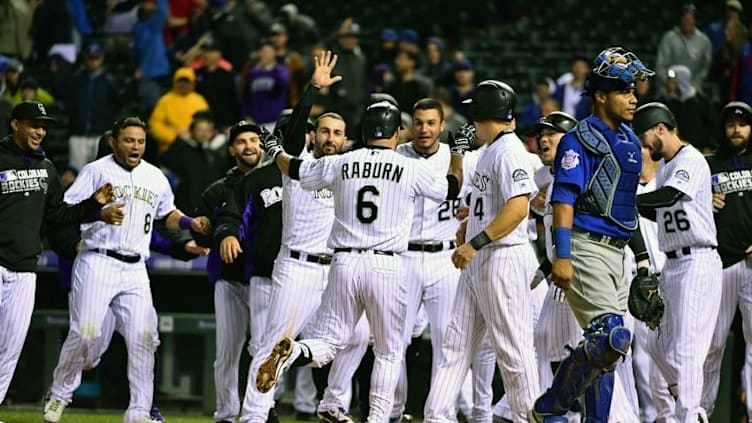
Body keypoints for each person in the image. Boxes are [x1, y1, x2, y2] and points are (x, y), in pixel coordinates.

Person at [254, 97, 467, 423]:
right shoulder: (410, 166)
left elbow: (294, 170)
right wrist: (457, 155)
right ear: (398, 132)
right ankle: (378, 419)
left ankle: (294, 352)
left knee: (328, 341)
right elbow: (451, 189)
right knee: (389, 351)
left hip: (342, 263)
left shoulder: (341, 162)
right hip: (386, 264)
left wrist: (273, 151)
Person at [43, 117, 211, 423]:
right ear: (114, 142)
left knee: (145, 337)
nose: (136, 146)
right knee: (85, 333)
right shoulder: (95, 171)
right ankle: (59, 394)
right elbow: (65, 213)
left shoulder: (155, 176)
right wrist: (97, 212)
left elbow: (166, 214)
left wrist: (189, 223)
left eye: (141, 141)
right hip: (98, 260)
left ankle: (139, 412)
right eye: (129, 140)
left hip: (136, 269)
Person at [531, 47, 656, 423]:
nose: (633, 98)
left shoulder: (631, 142)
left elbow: (626, 207)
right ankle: (552, 405)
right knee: (609, 336)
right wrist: (563, 256)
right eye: (623, 91)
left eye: (633, 90)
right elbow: (563, 200)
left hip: (617, 253)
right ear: (601, 95)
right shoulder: (579, 139)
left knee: (610, 351)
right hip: (584, 245)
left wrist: (643, 259)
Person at [233, 50, 348, 423]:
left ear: (345, 140)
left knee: (351, 339)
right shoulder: (296, 163)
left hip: (332, 271)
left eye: (337, 133)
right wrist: (312, 92)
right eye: (325, 131)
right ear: (314, 136)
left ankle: (312, 376)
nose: (330, 138)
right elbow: (293, 129)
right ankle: (253, 416)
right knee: (267, 343)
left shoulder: (348, 168)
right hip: (296, 267)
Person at [420, 79, 539, 423]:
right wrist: (468, 227)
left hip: (501, 258)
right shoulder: (491, 151)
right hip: (480, 262)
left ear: (482, 113)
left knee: (513, 350)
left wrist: (476, 242)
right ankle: (436, 417)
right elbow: (489, 203)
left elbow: (518, 208)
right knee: (454, 349)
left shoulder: (510, 151)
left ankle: (528, 417)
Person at [0, 101, 114, 408]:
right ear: (15, 124)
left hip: (24, 270)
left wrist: (93, 205)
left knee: (9, 348)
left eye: (44, 126)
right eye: (34, 124)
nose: (40, 131)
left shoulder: (47, 168)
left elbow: (57, 216)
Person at [630, 102, 722, 422]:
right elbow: (657, 209)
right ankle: (690, 405)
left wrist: (630, 200)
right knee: (656, 344)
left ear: (660, 128)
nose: (644, 145)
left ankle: (687, 415)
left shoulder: (690, 159)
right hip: (672, 266)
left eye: (645, 137)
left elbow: (669, 197)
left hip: (697, 261)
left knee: (687, 351)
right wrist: (634, 208)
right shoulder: (666, 165)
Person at [195, 120, 264, 423]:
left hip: (265, 277)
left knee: (264, 349)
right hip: (229, 279)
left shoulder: (276, 181)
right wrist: (207, 231)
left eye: (254, 139)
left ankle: (260, 410)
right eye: (242, 141)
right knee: (227, 352)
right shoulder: (218, 189)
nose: (249, 146)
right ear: (232, 149)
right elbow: (199, 233)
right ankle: (225, 414)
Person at [701, 101, 752, 420]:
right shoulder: (707, 165)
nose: (736, 129)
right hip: (719, 264)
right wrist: (705, 200)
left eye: (743, 123)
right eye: (731, 124)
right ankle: (701, 412)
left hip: (751, 264)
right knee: (713, 344)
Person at [148, 67, 210, 154]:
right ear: (175, 81)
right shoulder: (165, 101)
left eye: (187, 81)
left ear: (192, 83)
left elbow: (207, 124)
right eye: (180, 81)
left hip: (195, 149)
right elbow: (154, 125)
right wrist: (175, 137)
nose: (183, 84)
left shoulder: (200, 101)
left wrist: (193, 137)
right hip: (169, 150)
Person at [655, 3, 712, 94]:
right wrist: (671, 82)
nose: (687, 21)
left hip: (694, 90)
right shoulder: (669, 38)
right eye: (685, 18)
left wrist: (693, 86)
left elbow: (705, 68)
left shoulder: (704, 41)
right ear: (680, 19)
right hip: (669, 90)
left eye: (690, 18)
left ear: (695, 20)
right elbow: (660, 66)